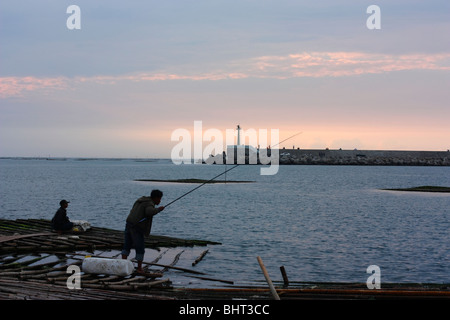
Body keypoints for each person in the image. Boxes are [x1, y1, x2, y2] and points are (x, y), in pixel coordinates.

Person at [121, 189, 165, 273]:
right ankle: (139, 269)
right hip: (137, 227)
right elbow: (149, 212)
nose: (160, 200)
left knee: (127, 245)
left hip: (129, 223)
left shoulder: (141, 200)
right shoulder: (149, 203)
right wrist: (159, 209)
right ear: (155, 198)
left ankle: (123, 265)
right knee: (140, 248)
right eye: (159, 199)